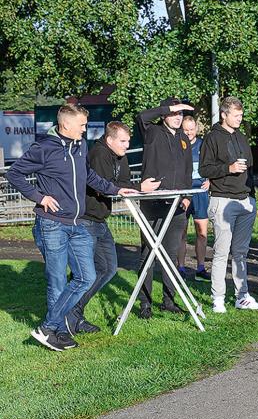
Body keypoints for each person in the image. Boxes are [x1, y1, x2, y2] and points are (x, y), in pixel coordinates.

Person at [6, 104, 137, 351]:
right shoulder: (44, 147)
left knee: (86, 277)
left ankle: (49, 328)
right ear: (66, 125)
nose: (85, 130)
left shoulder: (80, 146)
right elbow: (15, 174)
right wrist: (39, 197)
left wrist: (117, 189)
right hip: (52, 224)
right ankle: (58, 332)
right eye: (82, 125)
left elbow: (90, 177)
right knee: (56, 280)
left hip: (78, 224)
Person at [68, 121, 160, 334]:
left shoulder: (120, 155)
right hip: (85, 219)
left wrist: (140, 188)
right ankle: (69, 316)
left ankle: (74, 314)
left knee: (108, 268)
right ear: (109, 140)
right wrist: (138, 188)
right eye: (123, 141)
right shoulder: (99, 154)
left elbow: (123, 184)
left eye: (128, 141)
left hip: (99, 219)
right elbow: (105, 187)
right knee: (85, 274)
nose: (127, 145)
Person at [198, 96, 258, 312]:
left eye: (241, 115)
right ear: (224, 114)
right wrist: (229, 168)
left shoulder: (241, 137)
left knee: (241, 252)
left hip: (245, 201)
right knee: (221, 252)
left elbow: (250, 169)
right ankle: (217, 298)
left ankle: (242, 295)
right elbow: (204, 170)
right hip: (222, 200)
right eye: (236, 115)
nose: (239, 119)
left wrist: (252, 198)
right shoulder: (212, 138)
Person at [135, 97, 195, 319]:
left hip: (177, 206)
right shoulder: (152, 133)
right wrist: (168, 108)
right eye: (174, 113)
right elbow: (141, 117)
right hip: (153, 203)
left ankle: (169, 301)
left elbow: (187, 171)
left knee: (170, 255)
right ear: (164, 114)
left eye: (181, 114)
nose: (178, 117)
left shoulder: (183, 139)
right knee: (148, 254)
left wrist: (187, 196)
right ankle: (145, 304)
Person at [177, 115, 210, 280]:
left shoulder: (204, 145)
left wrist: (210, 180)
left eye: (191, 129)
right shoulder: (178, 145)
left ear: (196, 129)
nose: (189, 132)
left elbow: (212, 165)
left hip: (201, 193)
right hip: (183, 193)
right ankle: (181, 268)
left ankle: (201, 268)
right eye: (185, 130)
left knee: (201, 232)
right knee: (181, 232)